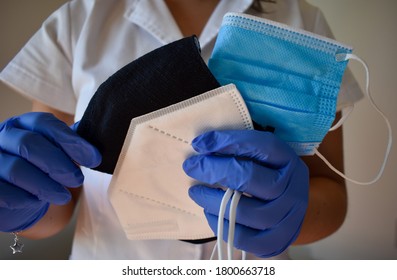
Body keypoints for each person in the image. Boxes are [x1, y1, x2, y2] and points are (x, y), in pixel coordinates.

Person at [0, 0, 362, 259]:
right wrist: (19, 200)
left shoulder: (301, 21)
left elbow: (330, 194)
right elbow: (55, 205)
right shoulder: (80, 19)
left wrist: (293, 216)